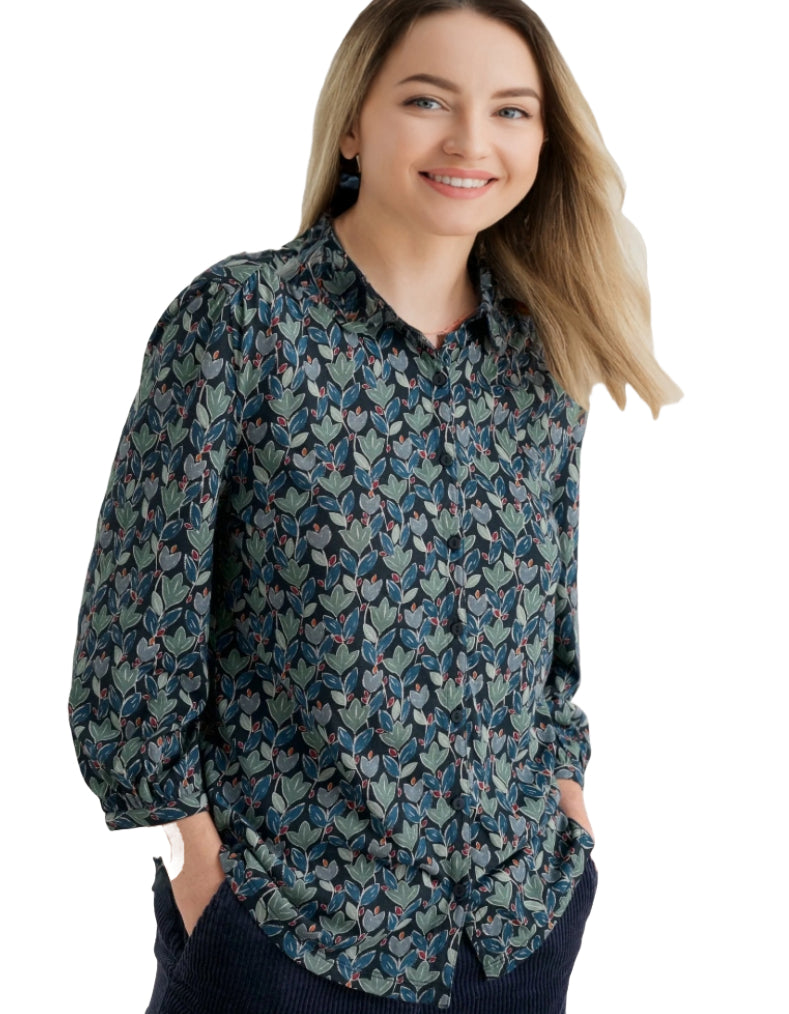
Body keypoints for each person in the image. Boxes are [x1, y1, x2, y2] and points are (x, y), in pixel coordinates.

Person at [68, 1, 680, 1012]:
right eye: (427, 101)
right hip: (283, 936)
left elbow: (547, 640)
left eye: (511, 110)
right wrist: (194, 856)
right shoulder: (244, 323)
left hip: (514, 935)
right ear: (353, 122)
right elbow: (136, 627)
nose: (471, 141)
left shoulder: (540, 354)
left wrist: (566, 802)